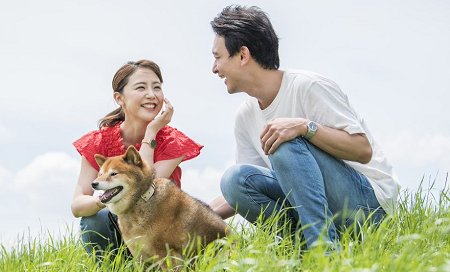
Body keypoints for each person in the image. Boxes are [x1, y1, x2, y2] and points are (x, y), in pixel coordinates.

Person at [208, 5, 400, 250]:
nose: (214, 68)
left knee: (284, 139)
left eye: (217, 57)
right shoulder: (245, 115)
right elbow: (249, 184)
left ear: (243, 55)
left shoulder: (307, 86)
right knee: (234, 179)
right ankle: (298, 251)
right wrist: (190, 213)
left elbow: (363, 150)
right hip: (320, 210)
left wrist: (304, 127)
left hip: (368, 208)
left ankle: (324, 252)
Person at [71, 60, 203, 256]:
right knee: (95, 218)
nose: (152, 94)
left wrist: (151, 133)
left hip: (162, 238)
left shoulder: (172, 141)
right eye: (141, 87)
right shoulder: (98, 142)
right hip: (118, 232)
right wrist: (103, 201)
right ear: (119, 98)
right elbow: (77, 205)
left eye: (157, 87)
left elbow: (144, 186)